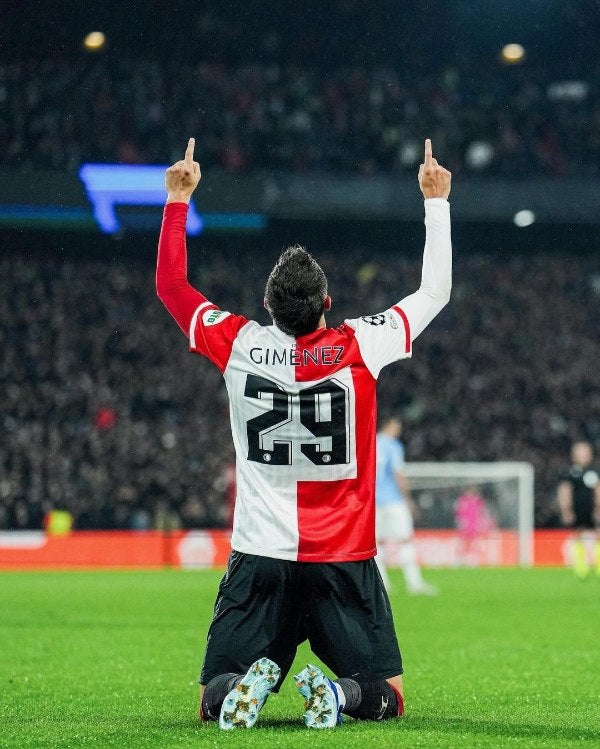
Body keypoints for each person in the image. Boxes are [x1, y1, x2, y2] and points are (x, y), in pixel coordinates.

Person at [156, 137, 452, 729]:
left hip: (260, 553)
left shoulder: (240, 342)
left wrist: (177, 200)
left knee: (212, 695)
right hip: (342, 555)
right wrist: (436, 202)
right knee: (386, 695)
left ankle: (246, 687)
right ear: (328, 302)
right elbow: (434, 292)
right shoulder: (360, 344)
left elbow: (173, 289)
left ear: (267, 304)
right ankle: (342, 697)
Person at [375, 416, 437, 594]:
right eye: (397, 426)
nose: (399, 430)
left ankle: (382, 585)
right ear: (390, 425)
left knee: (376, 543)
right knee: (405, 540)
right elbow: (398, 473)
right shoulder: (393, 445)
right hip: (393, 500)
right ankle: (414, 583)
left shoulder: (370, 441)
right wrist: (409, 499)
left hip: (372, 500)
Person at [557, 440, 600, 578]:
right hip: (577, 510)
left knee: (597, 536)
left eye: (585, 453)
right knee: (578, 535)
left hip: (592, 509)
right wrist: (566, 510)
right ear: (574, 455)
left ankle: (598, 565)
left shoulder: (594, 472)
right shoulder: (570, 473)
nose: (582, 456)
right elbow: (565, 491)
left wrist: (598, 508)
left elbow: (598, 490)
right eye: (579, 453)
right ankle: (581, 566)